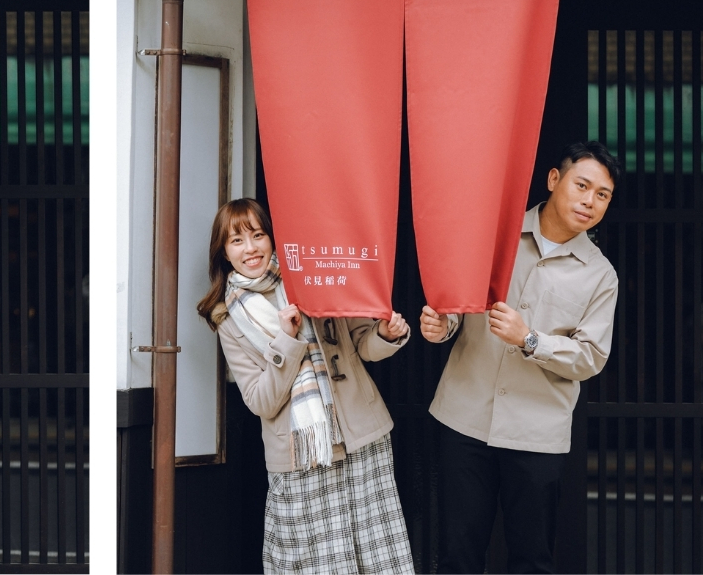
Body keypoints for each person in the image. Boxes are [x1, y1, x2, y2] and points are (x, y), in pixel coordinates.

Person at [420, 141, 621, 574]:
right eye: (582, 185)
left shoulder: (601, 275)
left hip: (536, 432)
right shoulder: (496, 235)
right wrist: (444, 325)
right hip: (464, 417)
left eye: (602, 194)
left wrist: (531, 340)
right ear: (554, 180)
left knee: (531, 560)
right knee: (457, 555)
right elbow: (459, 305)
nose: (589, 201)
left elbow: (591, 357)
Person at [200, 198, 415, 574]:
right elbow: (260, 402)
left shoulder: (310, 276)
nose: (250, 248)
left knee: (378, 561)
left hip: (360, 437)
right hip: (301, 455)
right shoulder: (228, 319)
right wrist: (288, 339)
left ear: (272, 238)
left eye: (258, 235)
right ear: (224, 253)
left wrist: (384, 333)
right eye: (237, 241)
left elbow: (361, 343)